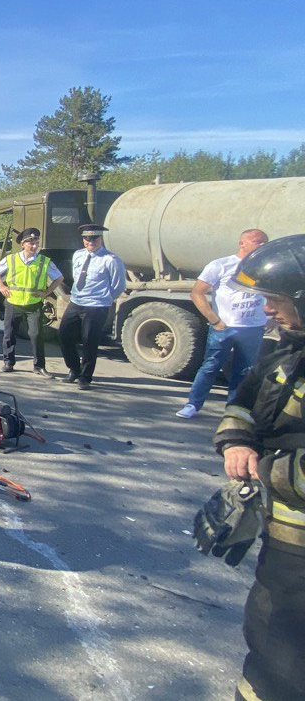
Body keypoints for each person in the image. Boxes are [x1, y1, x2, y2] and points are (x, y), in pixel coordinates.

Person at [209, 234, 305, 701]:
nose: (267, 310)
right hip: (284, 542)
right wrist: (236, 441)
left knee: (288, 661)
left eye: (276, 300)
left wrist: (267, 472)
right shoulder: (287, 348)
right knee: (268, 643)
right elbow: (245, 400)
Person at [177, 229, 270, 419]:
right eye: (257, 242)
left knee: (244, 372)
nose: (262, 246)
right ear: (242, 243)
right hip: (224, 328)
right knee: (210, 366)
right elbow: (197, 293)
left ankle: (234, 411)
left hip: (253, 328)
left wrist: (269, 319)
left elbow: (271, 294)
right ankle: (193, 405)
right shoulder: (221, 265)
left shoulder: (265, 266)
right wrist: (215, 320)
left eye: (264, 242)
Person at [58, 223, 126, 390]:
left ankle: (85, 377)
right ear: (83, 240)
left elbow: (118, 285)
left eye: (94, 238)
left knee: (89, 341)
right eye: (87, 239)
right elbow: (76, 276)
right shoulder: (78, 255)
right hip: (76, 301)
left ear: (100, 239)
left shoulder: (111, 260)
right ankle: (74, 369)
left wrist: (106, 299)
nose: (90, 242)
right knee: (63, 335)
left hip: (96, 305)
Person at [0, 227, 64, 377]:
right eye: (31, 243)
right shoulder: (11, 259)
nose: (35, 246)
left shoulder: (44, 261)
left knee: (36, 335)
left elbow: (59, 278)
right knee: (9, 334)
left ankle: (39, 366)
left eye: (36, 242)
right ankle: (8, 362)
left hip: (33, 304)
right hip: (13, 302)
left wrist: (47, 292)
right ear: (23, 244)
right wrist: (1, 286)